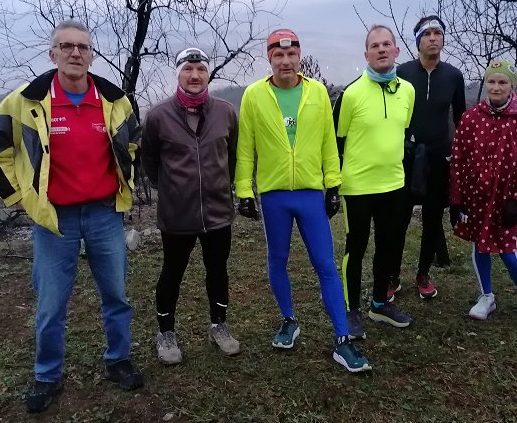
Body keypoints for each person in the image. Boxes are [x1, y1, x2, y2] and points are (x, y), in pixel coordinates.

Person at [0, 20, 144, 413]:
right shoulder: (25, 101)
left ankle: (118, 360)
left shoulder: (115, 100)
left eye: (83, 47)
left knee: (116, 296)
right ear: (52, 54)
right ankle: (47, 375)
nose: (75, 53)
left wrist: (127, 180)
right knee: (51, 303)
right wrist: (19, 197)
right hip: (54, 219)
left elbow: (133, 144)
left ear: (91, 55)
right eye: (66, 46)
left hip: (105, 214)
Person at [234, 28, 371, 373]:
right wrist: (244, 190)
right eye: (278, 55)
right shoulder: (254, 95)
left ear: (299, 56)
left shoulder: (317, 92)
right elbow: (245, 146)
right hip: (274, 195)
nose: (286, 61)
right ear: (270, 59)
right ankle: (288, 320)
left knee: (325, 264)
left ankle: (342, 339)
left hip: (310, 193)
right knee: (277, 259)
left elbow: (328, 141)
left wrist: (333, 184)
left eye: (291, 54)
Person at [140, 47, 241, 365]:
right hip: (177, 214)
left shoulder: (226, 112)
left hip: (217, 213)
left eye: (200, 69)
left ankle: (219, 325)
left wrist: (221, 185)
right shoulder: (158, 116)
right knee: (172, 272)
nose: (195, 75)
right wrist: (171, 189)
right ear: (178, 74)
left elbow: (232, 157)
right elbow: (150, 162)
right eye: (188, 69)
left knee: (218, 270)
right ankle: (165, 333)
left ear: (207, 74)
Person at [449, 60, 517, 329]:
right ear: (485, 83)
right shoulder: (471, 118)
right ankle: (486, 296)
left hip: (508, 199)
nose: (496, 87)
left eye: (502, 82)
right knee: (479, 245)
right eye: (491, 81)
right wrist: (457, 199)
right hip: (476, 195)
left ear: (512, 85)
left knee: (508, 250)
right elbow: (459, 159)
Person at [333, 25, 416, 340]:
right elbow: (336, 141)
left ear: (396, 50)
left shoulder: (407, 91)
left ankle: (380, 304)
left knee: (388, 245)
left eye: (387, 44)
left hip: (393, 183)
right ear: (366, 54)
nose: (381, 49)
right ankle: (351, 309)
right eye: (375, 46)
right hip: (357, 186)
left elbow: (403, 130)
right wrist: (333, 183)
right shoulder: (351, 94)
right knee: (356, 248)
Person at [395, 15, 466, 300]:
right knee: (398, 218)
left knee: (433, 218)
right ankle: (392, 276)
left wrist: (461, 156)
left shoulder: (453, 76)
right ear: (418, 41)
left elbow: (461, 120)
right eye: (427, 34)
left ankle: (423, 273)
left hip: (439, 156)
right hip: (407, 155)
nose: (433, 38)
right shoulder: (402, 72)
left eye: (438, 33)